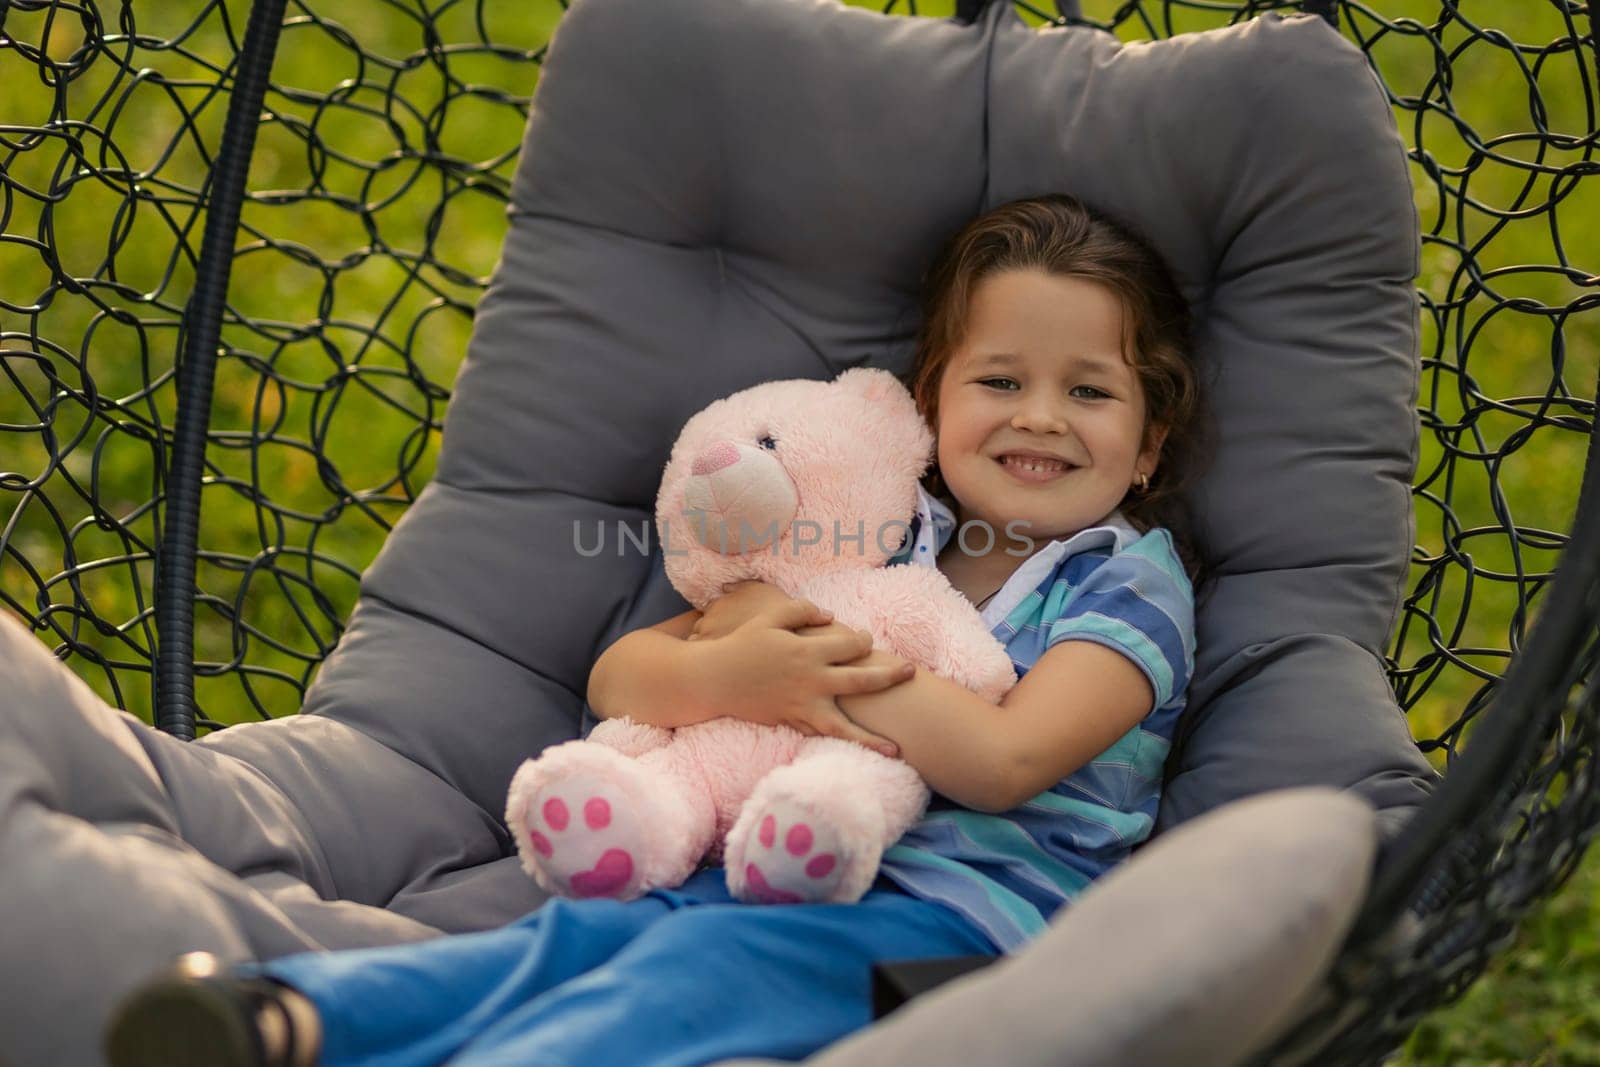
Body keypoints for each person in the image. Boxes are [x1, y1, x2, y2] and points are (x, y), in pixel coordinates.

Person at [104, 193, 1205, 1067]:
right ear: (930, 402)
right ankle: (286, 1015)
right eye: (1000, 379)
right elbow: (626, 675)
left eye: (1090, 392)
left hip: (958, 934)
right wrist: (735, 669)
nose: (1039, 415)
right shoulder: (872, 531)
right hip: (755, 864)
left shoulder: (1122, 587)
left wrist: (819, 663)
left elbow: (1007, 761)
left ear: (1150, 439)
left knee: (687, 979)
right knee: (573, 941)